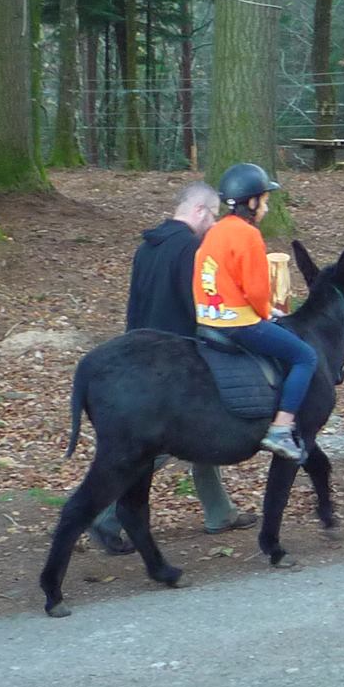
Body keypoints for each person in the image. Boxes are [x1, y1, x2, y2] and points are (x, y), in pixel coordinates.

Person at [90, 182, 255, 552]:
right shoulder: (191, 250)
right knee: (157, 445)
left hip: (142, 355)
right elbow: (200, 307)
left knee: (204, 431)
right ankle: (101, 516)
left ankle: (219, 511)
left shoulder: (147, 247)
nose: (213, 225)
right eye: (212, 216)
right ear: (199, 211)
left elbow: (135, 306)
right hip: (175, 363)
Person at [194, 163, 318, 462]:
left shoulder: (215, 231)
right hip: (238, 323)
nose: (266, 205)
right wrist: (267, 312)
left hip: (207, 318)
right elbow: (257, 292)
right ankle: (281, 428)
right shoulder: (248, 236)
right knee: (305, 356)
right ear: (251, 202)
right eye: (264, 199)